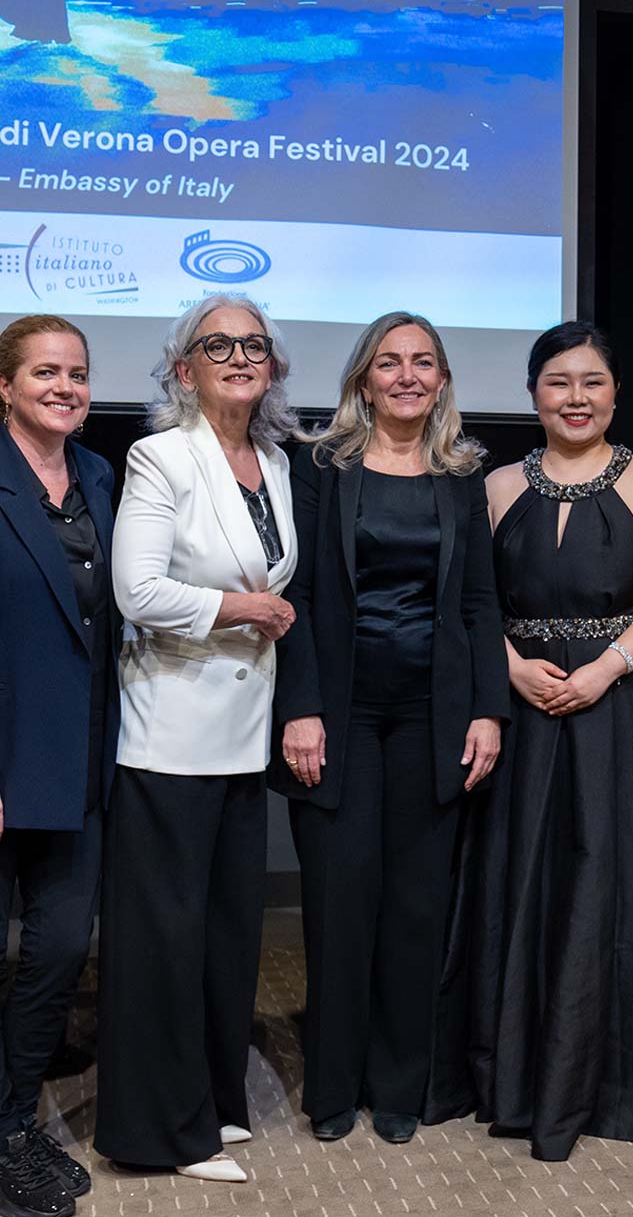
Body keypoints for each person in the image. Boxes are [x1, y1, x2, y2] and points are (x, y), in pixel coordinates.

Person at [464, 320, 633, 1161]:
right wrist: (509, 664)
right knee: (523, 875)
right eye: (558, 382)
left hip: (618, 702)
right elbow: (469, 600)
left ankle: (611, 1079)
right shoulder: (490, 486)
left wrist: (608, 666)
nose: (575, 397)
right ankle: (518, 1076)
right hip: (521, 704)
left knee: (611, 876)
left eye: (591, 382)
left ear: (614, 392)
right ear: (532, 393)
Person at [273, 312, 507, 1146]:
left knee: (416, 905)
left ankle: (400, 1081)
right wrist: (298, 706)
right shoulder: (319, 467)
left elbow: (480, 603)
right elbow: (293, 596)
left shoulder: (460, 476)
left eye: (422, 362)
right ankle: (333, 1085)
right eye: (388, 362)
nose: (406, 375)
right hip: (336, 715)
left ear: (442, 380)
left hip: (431, 717)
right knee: (341, 902)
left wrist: (488, 708)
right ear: (362, 379)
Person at [94, 295, 298, 1183]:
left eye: (255, 344)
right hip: (169, 735)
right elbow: (135, 589)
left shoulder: (279, 462)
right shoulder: (159, 455)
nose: (241, 356)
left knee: (223, 935)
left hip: (242, 737)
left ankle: (210, 1103)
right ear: (184, 369)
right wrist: (237, 608)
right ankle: (154, 1131)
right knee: (161, 943)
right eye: (220, 344)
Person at [0, 315, 116, 1217]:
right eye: (45, 371)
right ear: (5, 385)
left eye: (76, 372)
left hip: (75, 757)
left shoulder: (100, 477)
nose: (64, 386)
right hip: (4, 756)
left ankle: (10, 1123)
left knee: (60, 946)